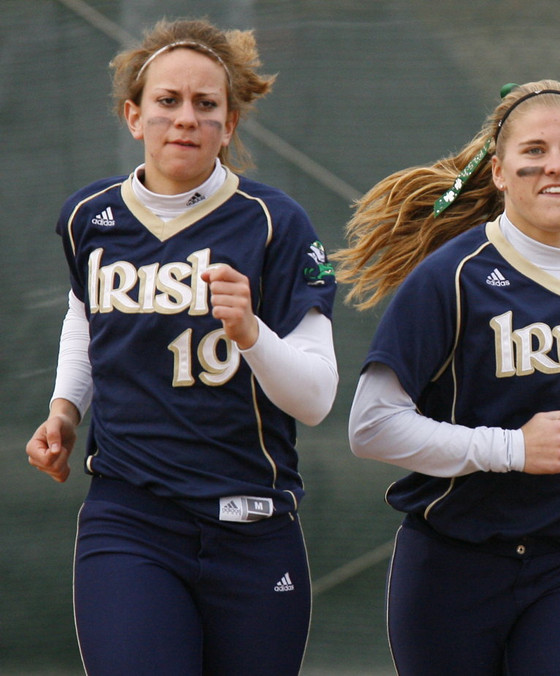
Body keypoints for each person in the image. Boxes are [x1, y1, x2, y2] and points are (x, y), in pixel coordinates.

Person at [333, 79, 560, 674]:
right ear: (498, 171)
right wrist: (512, 448)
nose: (557, 165)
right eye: (535, 151)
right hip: (452, 561)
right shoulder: (450, 276)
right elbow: (371, 426)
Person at [24, 19, 337, 675]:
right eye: (167, 101)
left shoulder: (275, 223)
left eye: (205, 104)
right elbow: (85, 314)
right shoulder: (89, 217)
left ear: (229, 123)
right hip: (130, 518)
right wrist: (64, 410)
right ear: (134, 116)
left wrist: (251, 334)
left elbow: (315, 400)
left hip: (251, 523)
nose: (186, 118)